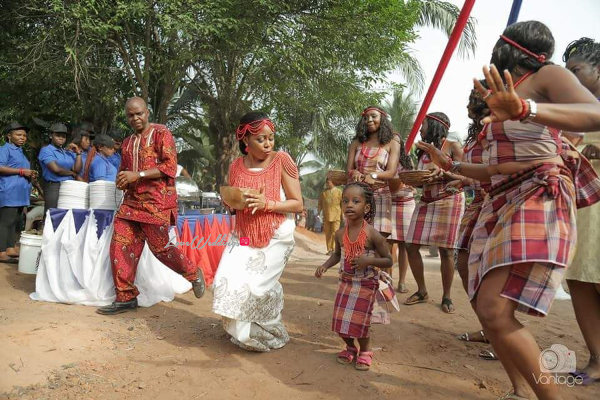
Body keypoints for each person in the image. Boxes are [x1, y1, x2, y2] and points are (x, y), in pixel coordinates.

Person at [418, 21, 600, 400]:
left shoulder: (544, 75)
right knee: (488, 310)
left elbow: (594, 113)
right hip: (502, 202)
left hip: (538, 195)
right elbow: (492, 171)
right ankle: (520, 390)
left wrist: (527, 108)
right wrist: (447, 166)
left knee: (495, 311)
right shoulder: (503, 97)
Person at [96, 97, 205, 315]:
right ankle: (125, 296)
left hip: (157, 201)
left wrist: (139, 174)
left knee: (160, 248)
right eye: (130, 115)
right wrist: (122, 180)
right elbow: (125, 170)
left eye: (139, 114)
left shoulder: (161, 133)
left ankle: (193, 273)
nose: (135, 118)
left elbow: (169, 166)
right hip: (131, 202)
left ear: (147, 112)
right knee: (120, 245)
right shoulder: (126, 142)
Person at [212, 111, 302, 351]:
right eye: (261, 139)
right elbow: (236, 204)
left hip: (276, 233)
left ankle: (269, 330)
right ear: (245, 140)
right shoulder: (236, 166)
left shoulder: (281, 160)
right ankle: (242, 330)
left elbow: (297, 203)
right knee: (225, 280)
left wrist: (267, 204)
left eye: (271, 137)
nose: (268, 143)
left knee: (256, 288)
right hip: (243, 234)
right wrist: (231, 202)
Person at [315, 182, 392, 371]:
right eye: (345, 201)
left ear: (366, 208)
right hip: (346, 283)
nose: (349, 205)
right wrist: (324, 266)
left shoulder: (373, 234)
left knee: (360, 322)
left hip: (366, 284)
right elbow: (336, 255)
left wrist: (368, 261)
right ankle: (350, 347)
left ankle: (365, 351)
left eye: (355, 201)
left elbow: (388, 260)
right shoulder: (340, 233)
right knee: (340, 321)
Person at [563, 36, 600, 385]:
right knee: (579, 278)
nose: (571, 79)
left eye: (577, 71)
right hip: (584, 203)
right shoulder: (573, 110)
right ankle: (598, 358)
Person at [405, 112, 465, 314]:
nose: (420, 129)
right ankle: (422, 291)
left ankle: (447, 296)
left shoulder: (453, 146)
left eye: (422, 125)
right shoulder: (422, 152)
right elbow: (422, 179)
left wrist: (443, 173)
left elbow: (466, 175)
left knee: (446, 250)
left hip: (449, 200)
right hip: (426, 201)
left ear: (434, 126)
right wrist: (417, 180)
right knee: (411, 245)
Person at [346, 106, 400, 239]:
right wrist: (354, 173)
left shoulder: (392, 144)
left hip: (380, 195)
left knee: (378, 240)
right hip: (357, 196)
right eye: (366, 117)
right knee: (356, 238)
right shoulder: (356, 143)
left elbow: (391, 172)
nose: (369, 120)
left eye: (373, 116)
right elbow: (349, 169)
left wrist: (374, 175)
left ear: (382, 119)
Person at [0, 122, 35, 263]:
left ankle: (9, 248)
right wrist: (21, 171)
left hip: (20, 194)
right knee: (5, 222)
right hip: (9, 191)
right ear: (9, 136)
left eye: (24, 135)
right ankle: (2, 252)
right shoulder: (4, 149)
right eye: (18, 134)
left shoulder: (20, 152)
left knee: (15, 221)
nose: (22, 137)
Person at [388, 138, 415, 293]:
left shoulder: (408, 162)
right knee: (388, 243)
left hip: (406, 203)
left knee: (405, 245)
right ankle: (388, 278)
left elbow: (413, 180)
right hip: (389, 203)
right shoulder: (385, 159)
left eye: (397, 142)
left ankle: (402, 281)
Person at [38, 123, 82, 216]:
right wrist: (72, 174)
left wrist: (78, 153)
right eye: (58, 135)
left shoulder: (67, 152)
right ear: (51, 136)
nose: (61, 138)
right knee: (52, 215)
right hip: (53, 187)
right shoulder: (46, 150)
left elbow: (76, 169)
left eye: (63, 136)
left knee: (66, 215)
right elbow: (56, 169)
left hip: (68, 186)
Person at [318, 179, 342, 255]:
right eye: (327, 183)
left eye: (329, 182)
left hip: (336, 215)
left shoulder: (339, 191)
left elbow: (342, 203)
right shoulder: (324, 192)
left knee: (335, 232)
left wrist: (344, 214)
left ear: (333, 182)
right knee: (328, 233)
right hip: (326, 215)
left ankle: (334, 249)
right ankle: (329, 249)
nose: (327, 184)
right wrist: (319, 211)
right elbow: (320, 203)